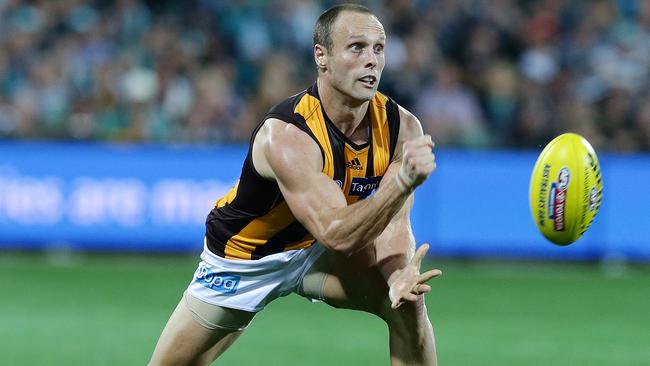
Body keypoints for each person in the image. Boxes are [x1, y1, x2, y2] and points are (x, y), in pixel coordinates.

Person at [149, 4, 441, 365]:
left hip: (315, 253)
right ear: (322, 55)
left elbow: (393, 222)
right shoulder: (287, 135)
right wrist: (402, 181)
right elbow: (338, 232)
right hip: (245, 260)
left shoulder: (400, 127)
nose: (372, 61)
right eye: (356, 48)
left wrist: (396, 274)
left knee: (407, 303)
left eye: (378, 49)